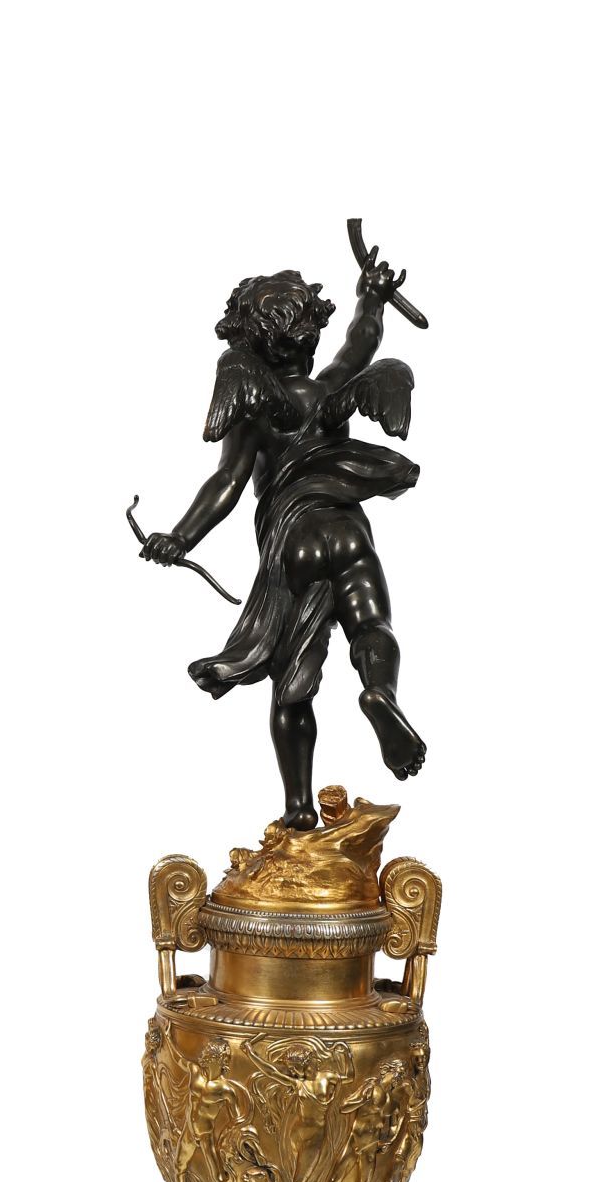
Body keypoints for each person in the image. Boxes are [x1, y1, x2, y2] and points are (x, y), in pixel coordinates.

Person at [140, 253, 425, 827]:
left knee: (292, 684)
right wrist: (371, 296)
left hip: (294, 546)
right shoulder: (328, 390)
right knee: (372, 626)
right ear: (310, 332)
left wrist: (181, 537)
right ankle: (380, 692)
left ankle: (298, 808)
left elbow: (227, 482)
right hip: (347, 531)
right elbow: (361, 343)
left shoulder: (256, 413)